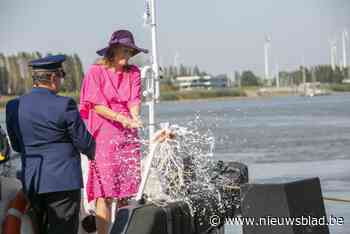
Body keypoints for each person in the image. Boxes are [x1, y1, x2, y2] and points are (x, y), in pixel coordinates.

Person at [5, 55, 95, 234]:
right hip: (63, 183)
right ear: (54, 78)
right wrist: (96, 155)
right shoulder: (64, 104)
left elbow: (16, 145)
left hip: (33, 182)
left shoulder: (13, 106)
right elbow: (85, 143)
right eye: (61, 76)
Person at [79, 29, 148, 234]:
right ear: (113, 50)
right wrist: (122, 119)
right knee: (105, 193)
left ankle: (123, 231)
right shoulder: (95, 72)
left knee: (126, 192)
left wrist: (135, 118)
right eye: (124, 51)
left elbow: (134, 100)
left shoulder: (134, 72)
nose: (127, 56)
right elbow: (96, 105)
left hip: (128, 136)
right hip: (104, 134)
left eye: (130, 52)